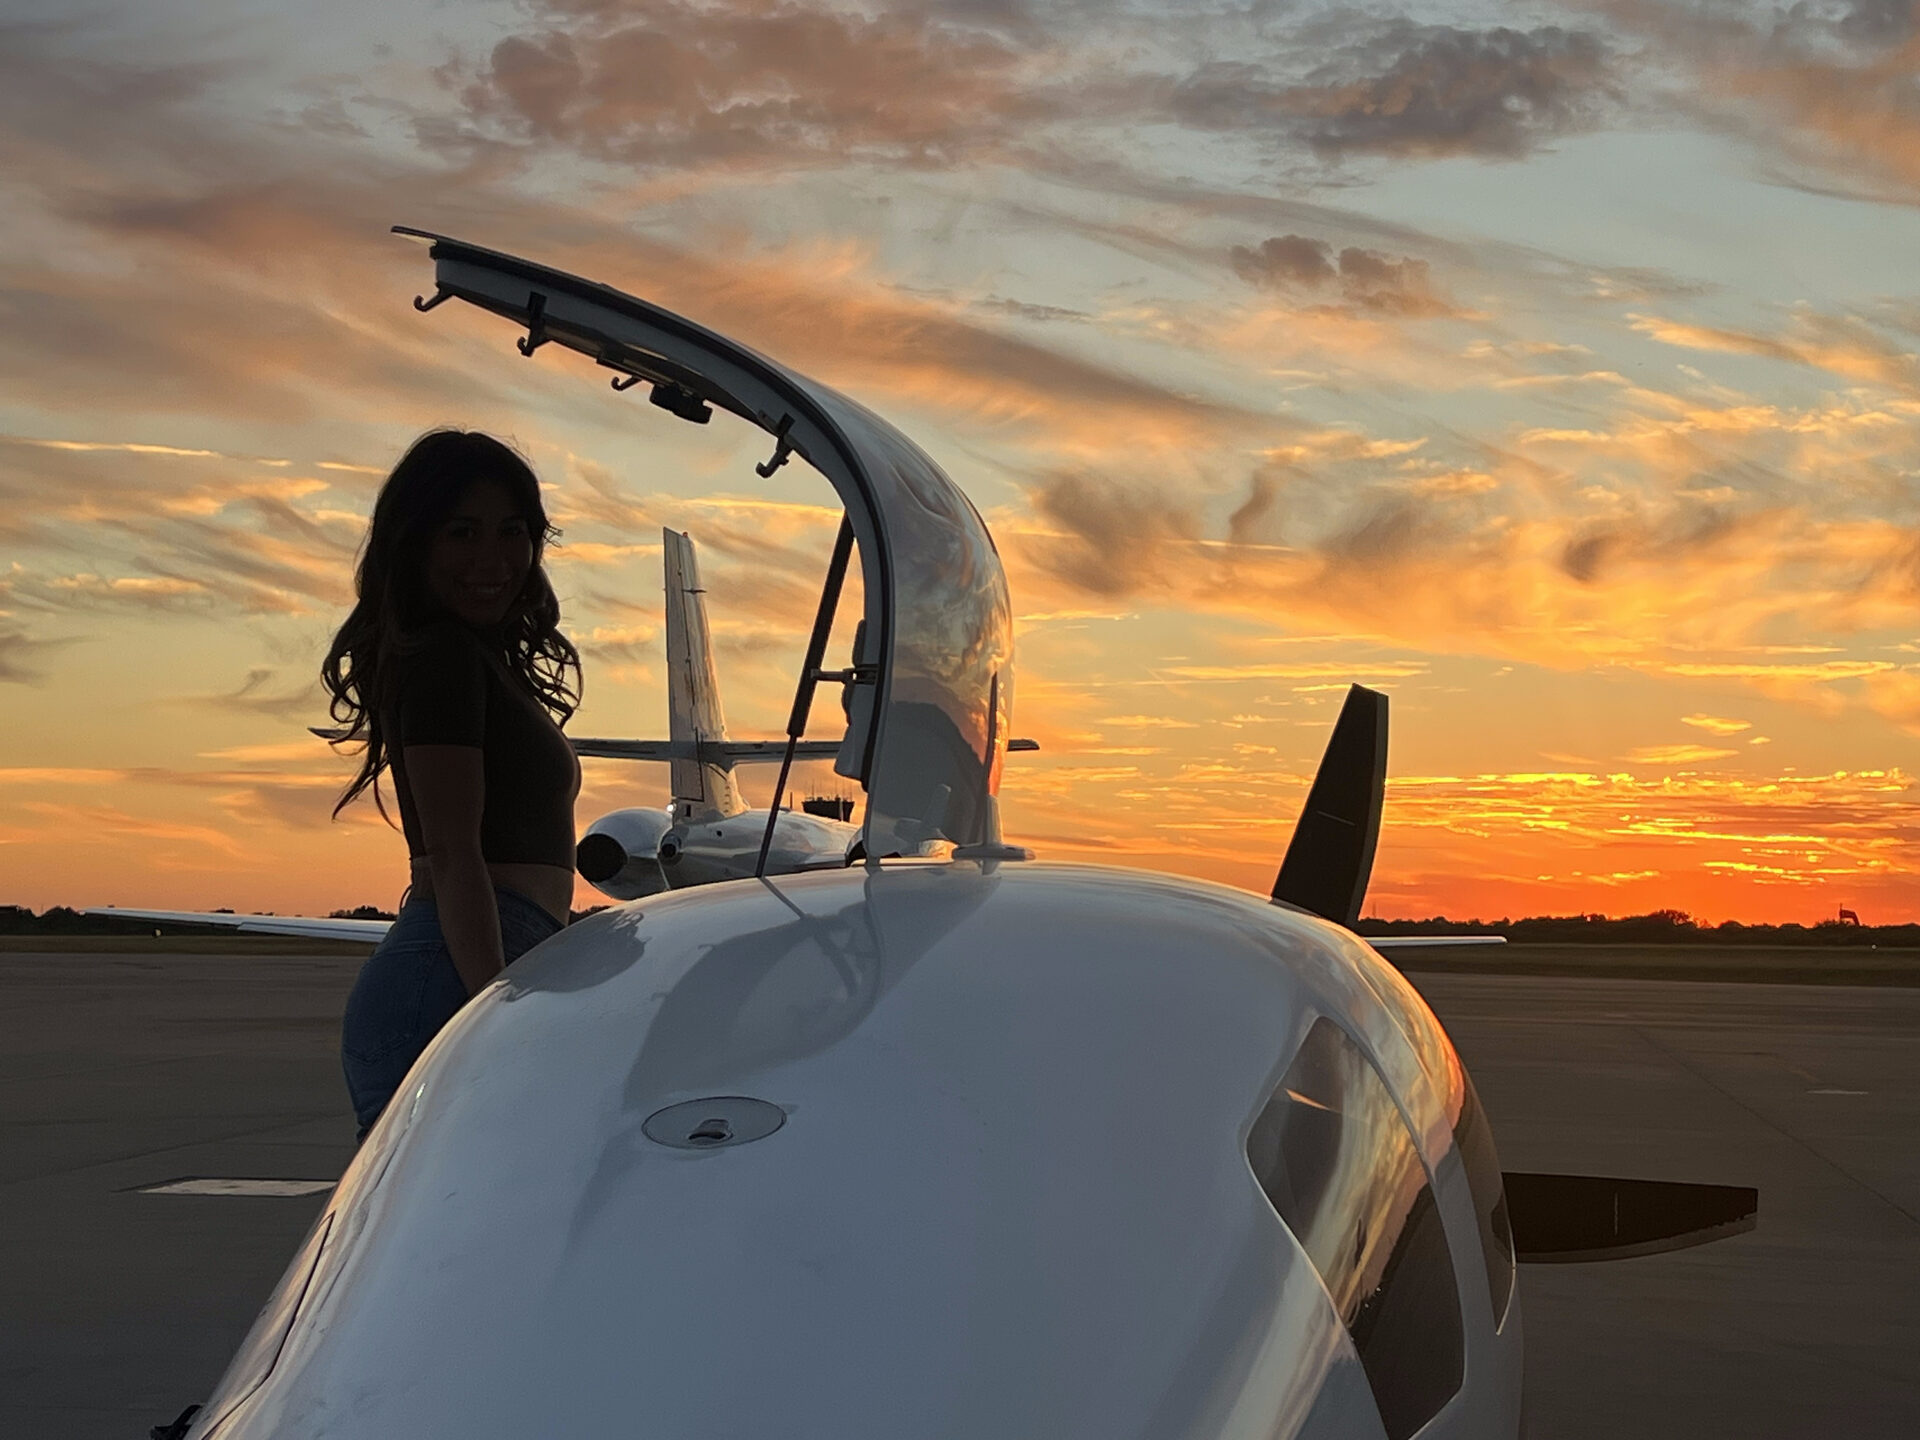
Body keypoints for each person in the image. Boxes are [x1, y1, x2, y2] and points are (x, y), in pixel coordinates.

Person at [321, 430, 583, 1137]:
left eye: (513, 532)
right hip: (452, 972)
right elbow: (454, 851)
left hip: (478, 954)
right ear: (417, 544)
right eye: (462, 533)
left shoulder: (472, 658)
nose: (491, 559)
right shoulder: (441, 659)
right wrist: (496, 1009)